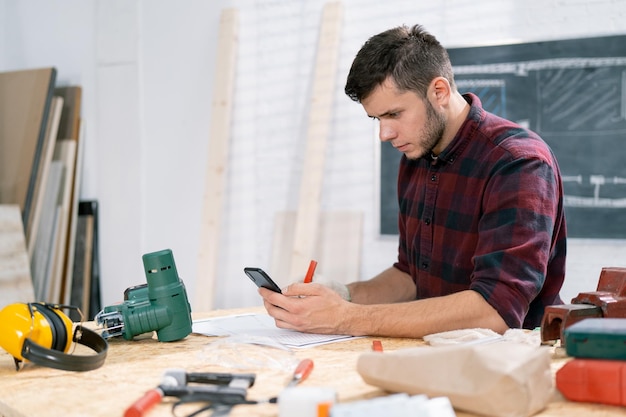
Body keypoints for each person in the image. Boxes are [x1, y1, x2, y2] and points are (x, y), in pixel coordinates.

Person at [259, 24, 567, 338]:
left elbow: (495, 312)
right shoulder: (417, 156)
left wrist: (346, 317)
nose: (384, 134)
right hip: (436, 355)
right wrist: (342, 295)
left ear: (439, 92)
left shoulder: (518, 162)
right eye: (377, 119)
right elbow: (411, 276)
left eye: (394, 114)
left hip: (510, 366)